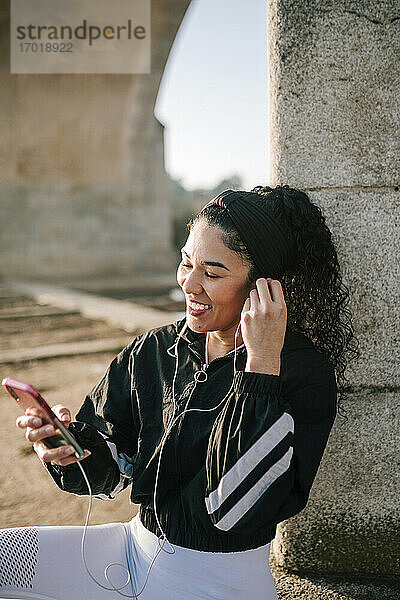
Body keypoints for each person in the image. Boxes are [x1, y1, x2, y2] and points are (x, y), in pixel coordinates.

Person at [0, 186, 359, 600]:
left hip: (221, 583)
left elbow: (235, 508)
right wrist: (71, 450)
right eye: (186, 262)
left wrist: (261, 365)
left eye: (213, 272)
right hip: (131, 552)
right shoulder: (153, 350)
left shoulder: (301, 372)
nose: (189, 284)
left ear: (264, 286)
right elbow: (110, 469)